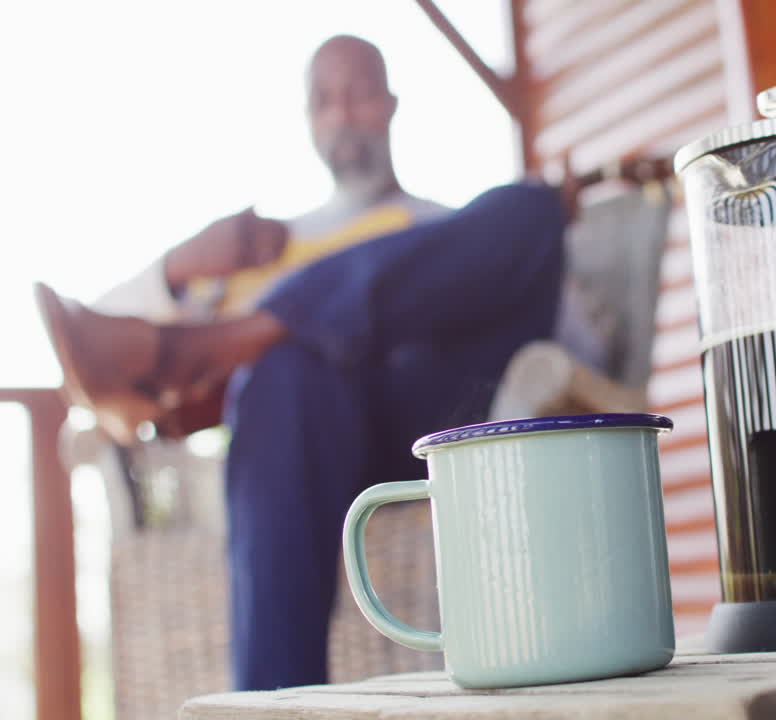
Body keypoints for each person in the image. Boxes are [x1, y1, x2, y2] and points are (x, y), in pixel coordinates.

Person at [35, 35, 582, 691]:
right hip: (304, 443)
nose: (343, 111)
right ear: (308, 119)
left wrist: (551, 228)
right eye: (325, 98)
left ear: (391, 105)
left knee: (527, 206)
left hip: (434, 417)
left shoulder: (446, 226)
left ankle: (226, 344)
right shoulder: (263, 247)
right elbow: (95, 363)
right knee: (282, 374)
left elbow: (576, 347)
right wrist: (180, 264)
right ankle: (275, 703)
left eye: (359, 93)